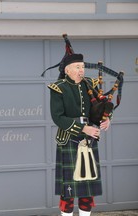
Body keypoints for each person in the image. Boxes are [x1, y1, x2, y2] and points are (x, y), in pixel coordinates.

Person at [48, 54, 111, 216]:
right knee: (68, 187)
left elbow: (101, 105)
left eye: (82, 67)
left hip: (89, 139)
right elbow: (58, 117)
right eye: (77, 67)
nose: (81, 70)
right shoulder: (59, 87)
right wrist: (83, 128)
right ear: (67, 70)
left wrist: (106, 118)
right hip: (69, 137)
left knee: (87, 185)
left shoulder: (90, 84)